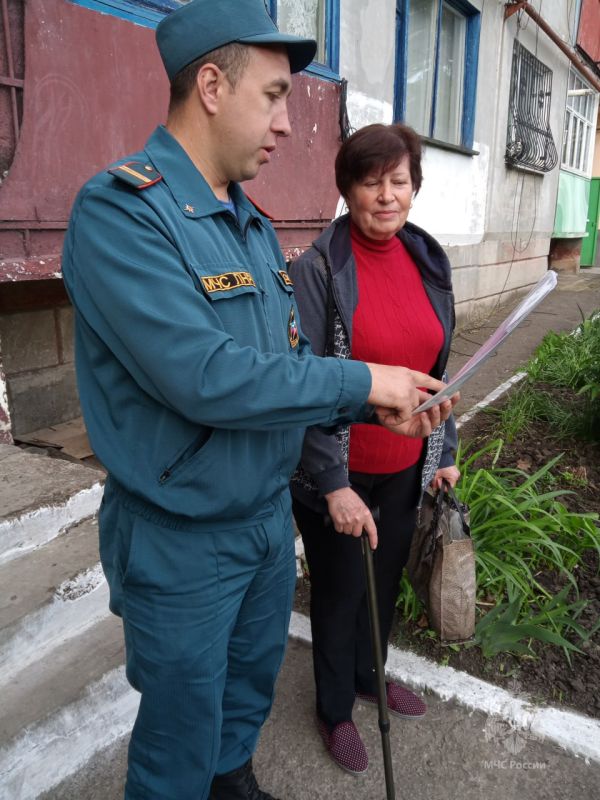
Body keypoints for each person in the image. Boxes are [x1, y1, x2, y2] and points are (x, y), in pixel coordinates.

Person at [61, 1, 457, 797]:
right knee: (178, 739)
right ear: (211, 84)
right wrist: (360, 379)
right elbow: (205, 375)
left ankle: (235, 780)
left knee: (243, 700)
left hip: (266, 522)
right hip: (182, 541)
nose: (286, 121)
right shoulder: (122, 214)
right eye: (274, 94)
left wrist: (369, 405)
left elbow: (286, 363)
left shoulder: (248, 224)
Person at [289, 122, 461, 775]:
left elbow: (439, 365)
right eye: (371, 181)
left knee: (382, 581)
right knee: (337, 589)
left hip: (405, 463)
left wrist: (443, 448)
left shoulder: (428, 260)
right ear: (347, 189)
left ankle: (369, 673)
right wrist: (332, 481)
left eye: (399, 181)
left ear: (413, 187)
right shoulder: (318, 270)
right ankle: (334, 710)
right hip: (339, 469)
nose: (386, 196)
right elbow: (301, 381)